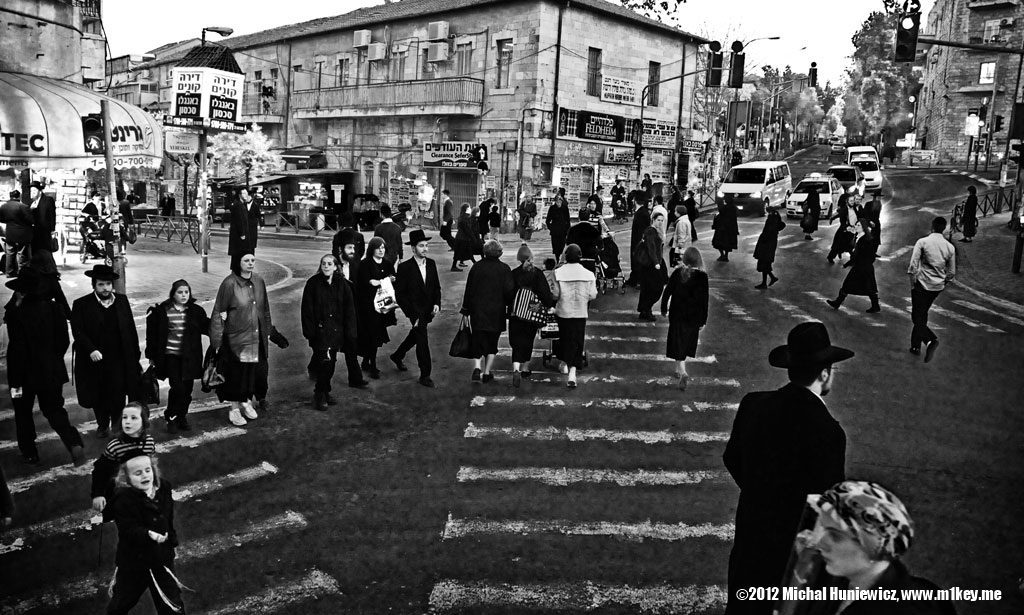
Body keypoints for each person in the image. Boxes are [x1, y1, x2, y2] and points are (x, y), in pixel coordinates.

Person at [723, 321, 853, 615]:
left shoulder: (753, 404)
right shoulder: (828, 432)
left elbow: (732, 458)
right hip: (788, 556)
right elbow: (825, 505)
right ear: (824, 373)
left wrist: (759, 490)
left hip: (750, 537)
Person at [792, 481, 956, 615]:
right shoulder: (844, 583)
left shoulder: (911, 608)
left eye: (835, 536)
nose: (820, 542)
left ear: (873, 548)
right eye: (823, 529)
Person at [5, 269, 86, 465]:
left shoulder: (15, 313)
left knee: (22, 411)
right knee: (55, 409)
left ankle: (29, 451)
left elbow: (16, 347)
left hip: (20, 376)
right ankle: (73, 442)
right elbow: (63, 341)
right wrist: (52, 359)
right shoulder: (55, 309)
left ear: (22, 291)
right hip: (51, 372)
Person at [106, 454, 186, 615]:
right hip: (134, 562)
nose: (145, 475)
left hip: (160, 558)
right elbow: (128, 529)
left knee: (172, 605)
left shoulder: (163, 487)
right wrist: (149, 534)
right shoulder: (123, 499)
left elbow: (168, 517)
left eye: (147, 470)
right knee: (121, 603)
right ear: (127, 478)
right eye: (138, 473)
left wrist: (172, 541)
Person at [210, 253, 284, 426]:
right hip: (236, 338)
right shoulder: (229, 283)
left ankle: (246, 401)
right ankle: (234, 409)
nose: (250, 263)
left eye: (252, 260)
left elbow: (264, 309)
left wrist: (267, 331)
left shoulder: (259, 281)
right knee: (236, 375)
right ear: (238, 262)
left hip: (255, 336)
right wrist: (216, 341)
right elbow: (218, 312)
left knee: (252, 373)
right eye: (246, 260)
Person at [70, 264, 141, 439]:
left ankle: (116, 424)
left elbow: (130, 329)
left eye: (108, 284)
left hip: (119, 357)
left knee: (118, 393)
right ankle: (102, 423)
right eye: (101, 284)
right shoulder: (81, 304)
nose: (105, 288)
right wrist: (91, 349)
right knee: (99, 395)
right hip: (95, 360)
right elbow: (78, 330)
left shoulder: (122, 301)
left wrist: (135, 355)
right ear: (94, 285)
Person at [145, 280, 210, 433]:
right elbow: (152, 335)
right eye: (180, 292)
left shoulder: (195, 311)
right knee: (177, 387)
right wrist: (151, 355)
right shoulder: (162, 311)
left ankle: (181, 416)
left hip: (189, 358)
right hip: (171, 357)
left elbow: (208, 327)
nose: (184, 295)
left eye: (186, 292)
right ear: (173, 294)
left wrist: (222, 321)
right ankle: (171, 416)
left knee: (186, 390)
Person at [302, 254, 360, 411]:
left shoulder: (343, 285)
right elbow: (306, 309)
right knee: (325, 363)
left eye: (329, 264)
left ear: (335, 267)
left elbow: (349, 310)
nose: (326, 266)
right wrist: (309, 332)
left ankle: (324, 391)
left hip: (336, 332)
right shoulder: (313, 284)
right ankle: (319, 393)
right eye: (323, 264)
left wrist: (351, 332)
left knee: (330, 363)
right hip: (319, 332)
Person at [391, 229, 442, 387]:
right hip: (415, 310)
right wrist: (412, 315)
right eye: (421, 246)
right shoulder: (405, 268)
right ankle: (425, 374)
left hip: (428, 309)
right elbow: (400, 294)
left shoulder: (432, 264)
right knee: (422, 341)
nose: (425, 249)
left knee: (416, 334)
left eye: (426, 245)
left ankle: (398, 355)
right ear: (413, 248)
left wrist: (436, 303)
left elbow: (436, 287)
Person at [461, 240, 515, 383]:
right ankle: (486, 372)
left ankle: (477, 367)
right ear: (499, 253)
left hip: (477, 310)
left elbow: (469, 290)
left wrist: (465, 308)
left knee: (478, 340)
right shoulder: (504, 269)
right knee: (492, 343)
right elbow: (509, 292)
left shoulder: (476, 268)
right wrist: (510, 308)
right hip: (496, 311)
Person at [89, 403, 156, 518]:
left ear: (144, 423)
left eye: (134, 418)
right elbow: (101, 471)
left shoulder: (149, 443)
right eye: (125, 418)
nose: (128, 422)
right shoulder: (115, 446)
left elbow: (151, 467)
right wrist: (98, 494)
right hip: (119, 490)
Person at [907, 217, 955, 362]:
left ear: (932, 227)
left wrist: (912, 284)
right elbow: (951, 272)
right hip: (937, 287)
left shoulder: (922, 242)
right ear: (944, 229)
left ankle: (930, 339)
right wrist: (943, 283)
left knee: (917, 316)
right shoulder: (950, 247)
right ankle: (915, 346)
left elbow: (913, 266)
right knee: (922, 313)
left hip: (922, 284)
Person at [660, 247, 708, 391]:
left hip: (677, 314)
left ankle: (682, 371)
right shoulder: (702, 277)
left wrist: (663, 308)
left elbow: (667, 291)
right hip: (693, 316)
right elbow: (704, 301)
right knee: (685, 342)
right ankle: (678, 369)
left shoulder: (677, 273)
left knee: (677, 341)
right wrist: (703, 320)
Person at [508, 245, 556, 388]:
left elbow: (508, 293)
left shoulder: (514, 273)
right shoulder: (537, 274)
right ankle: (525, 368)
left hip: (516, 313)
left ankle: (515, 368)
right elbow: (545, 293)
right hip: (532, 312)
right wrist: (549, 306)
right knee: (528, 340)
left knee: (516, 342)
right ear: (531, 258)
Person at [551, 244, 598, 388]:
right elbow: (592, 295)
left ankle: (564, 363)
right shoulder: (589, 274)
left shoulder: (557, 273)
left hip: (563, 312)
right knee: (577, 340)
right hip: (580, 312)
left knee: (564, 339)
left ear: (566, 256)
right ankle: (573, 373)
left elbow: (555, 294)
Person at [357, 237, 398, 379]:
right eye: (378, 248)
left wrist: (387, 280)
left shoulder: (387, 264)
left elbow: (393, 278)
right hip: (368, 306)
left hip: (382, 305)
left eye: (383, 248)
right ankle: (372, 365)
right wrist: (384, 281)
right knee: (372, 335)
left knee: (374, 335)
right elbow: (369, 282)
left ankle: (366, 361)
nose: (381, 250)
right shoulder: (365, 264)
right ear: (372, 249)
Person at [826, 222, 881, 314]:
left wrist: (848, 264)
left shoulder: (866, 240)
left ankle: (838, 302)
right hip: (862, 266)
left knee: (860, 285)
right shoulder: (859, 237)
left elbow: (866, 255)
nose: (856, 227)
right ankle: (875, 306)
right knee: (867, 286)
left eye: (859, 225)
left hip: (863, 267)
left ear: (864, 228)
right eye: (856, 225)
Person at [636, 211, 667, 321]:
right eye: (658, 220)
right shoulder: (651, 231)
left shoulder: (654, 231)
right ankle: (646, 309)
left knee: (648, 288)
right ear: (653, 220)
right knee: (655, 288)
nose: (660, 222)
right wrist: (656, 263)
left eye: (662, 221)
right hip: (651, 265)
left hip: (652, 264)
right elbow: (651, 248)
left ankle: (645, 310)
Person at [228, 187, 260, 272]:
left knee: (240, 254)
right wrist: (242, 233)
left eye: (246, 193)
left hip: (242, 234)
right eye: (244, 193)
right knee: (238, 254)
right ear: (239, 195)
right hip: (240, 236)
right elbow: (239, 221)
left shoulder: (241, 204)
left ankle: (237, 270)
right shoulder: (238, 205)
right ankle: (237, 271)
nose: (246, 195)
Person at [0, 190, 32, 277]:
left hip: (10, 232)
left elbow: (1, 219)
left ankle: (9, 272)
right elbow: (30, 220)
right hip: (22, 233)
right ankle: (22, 272)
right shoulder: (23, 207)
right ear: (19, 196)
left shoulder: (3, 207)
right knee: (22, 253)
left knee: (10, 253)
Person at [753, 206, 785, 289]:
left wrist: (763, 239)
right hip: (771, 243)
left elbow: (768, 231)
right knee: (766, 263)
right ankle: (771, 278)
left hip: (767, 244)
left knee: (764, 262)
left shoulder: (771, 219)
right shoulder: (776, 217)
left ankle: (765, 282)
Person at [28, 181, 57, 272]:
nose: (32, 192)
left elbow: (52, 215)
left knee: (46, 251)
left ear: (40, 191)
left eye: (34, 190)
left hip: (45, 231)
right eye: (31, 191)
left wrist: (52, 230)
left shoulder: (48, 200)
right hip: (35, 231)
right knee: (36, 250)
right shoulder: (33, 203)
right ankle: (38, 267)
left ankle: (50, 268)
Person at [627, 195, 652, 286]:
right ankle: (634, 278)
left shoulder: (641, 214)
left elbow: (641, 231)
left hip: (638, 242)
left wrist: (640, 242)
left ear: (635, 201)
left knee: (638, 260)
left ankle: (637, 280)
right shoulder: (642, 212)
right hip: (639, 241)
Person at [827, 193, 857, 264]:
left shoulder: (854, 208)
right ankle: (831, 257)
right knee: (839, 246)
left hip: (851, 230)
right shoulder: (844, 209)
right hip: (844, 231)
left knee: (850, 246)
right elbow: (841, 216)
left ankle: (853, 260)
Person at [546, 188, 571, 261]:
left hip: (563, 230)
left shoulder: (564, 208)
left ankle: (559, 258)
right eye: (557, 202)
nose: (558, 203)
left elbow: (568, 219)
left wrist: (567, 229)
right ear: (555, 202)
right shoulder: (552, 208)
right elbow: (548, 220)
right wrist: (551, 228)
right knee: (555, 246)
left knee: (562, 245)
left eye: (560, 202)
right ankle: (557, 259)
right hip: (555, 231)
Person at [452, 203, 479, 271]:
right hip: (463, 238)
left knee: (467, 251)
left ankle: (474, 263)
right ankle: (454, 266)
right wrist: (473, 238)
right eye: (469, 208)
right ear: (466, 209)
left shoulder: (462, 217)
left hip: (461, 237)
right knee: (461, 252)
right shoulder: (465, 218)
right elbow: (468, 230)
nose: (470, 209)